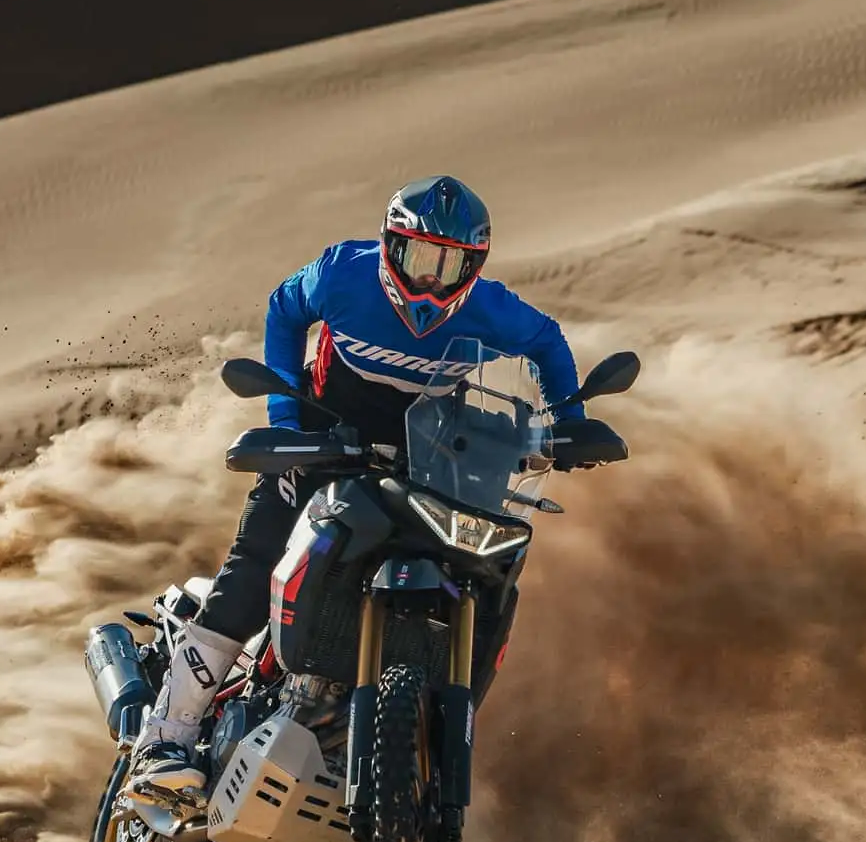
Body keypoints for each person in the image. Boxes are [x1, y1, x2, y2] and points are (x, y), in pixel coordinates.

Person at [127, 175, 587, 797]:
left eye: (451, 264)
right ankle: (165, 740)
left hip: (427, 465)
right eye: (418, 257)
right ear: (391, 246)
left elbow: (547, 342)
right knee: (254, 567)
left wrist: (569, 423)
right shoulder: (343, 274)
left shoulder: (493, 310)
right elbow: (285, 309)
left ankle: (409, 749)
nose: (431, 280)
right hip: (322, 444)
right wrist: (286, 421)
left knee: (477, 574)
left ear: (474, 265)